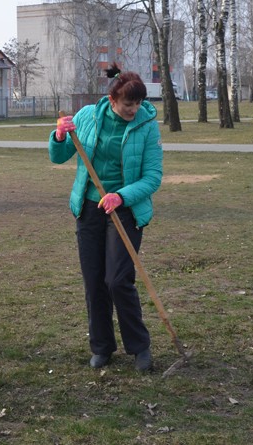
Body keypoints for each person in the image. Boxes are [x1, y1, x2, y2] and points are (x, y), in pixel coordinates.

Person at [48, 63, 162, 372]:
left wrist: (121, 195)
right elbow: (57, 156)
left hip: (126, 210)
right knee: (94, 281)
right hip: (89, 209)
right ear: (112, 100)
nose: (134, 109)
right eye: (128, 103)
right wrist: (59, 135)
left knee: (118, 280)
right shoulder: (88, 117)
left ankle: (139, 347)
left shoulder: (147, 125)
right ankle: (102, 347)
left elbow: (153, 177)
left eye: (139, 103)